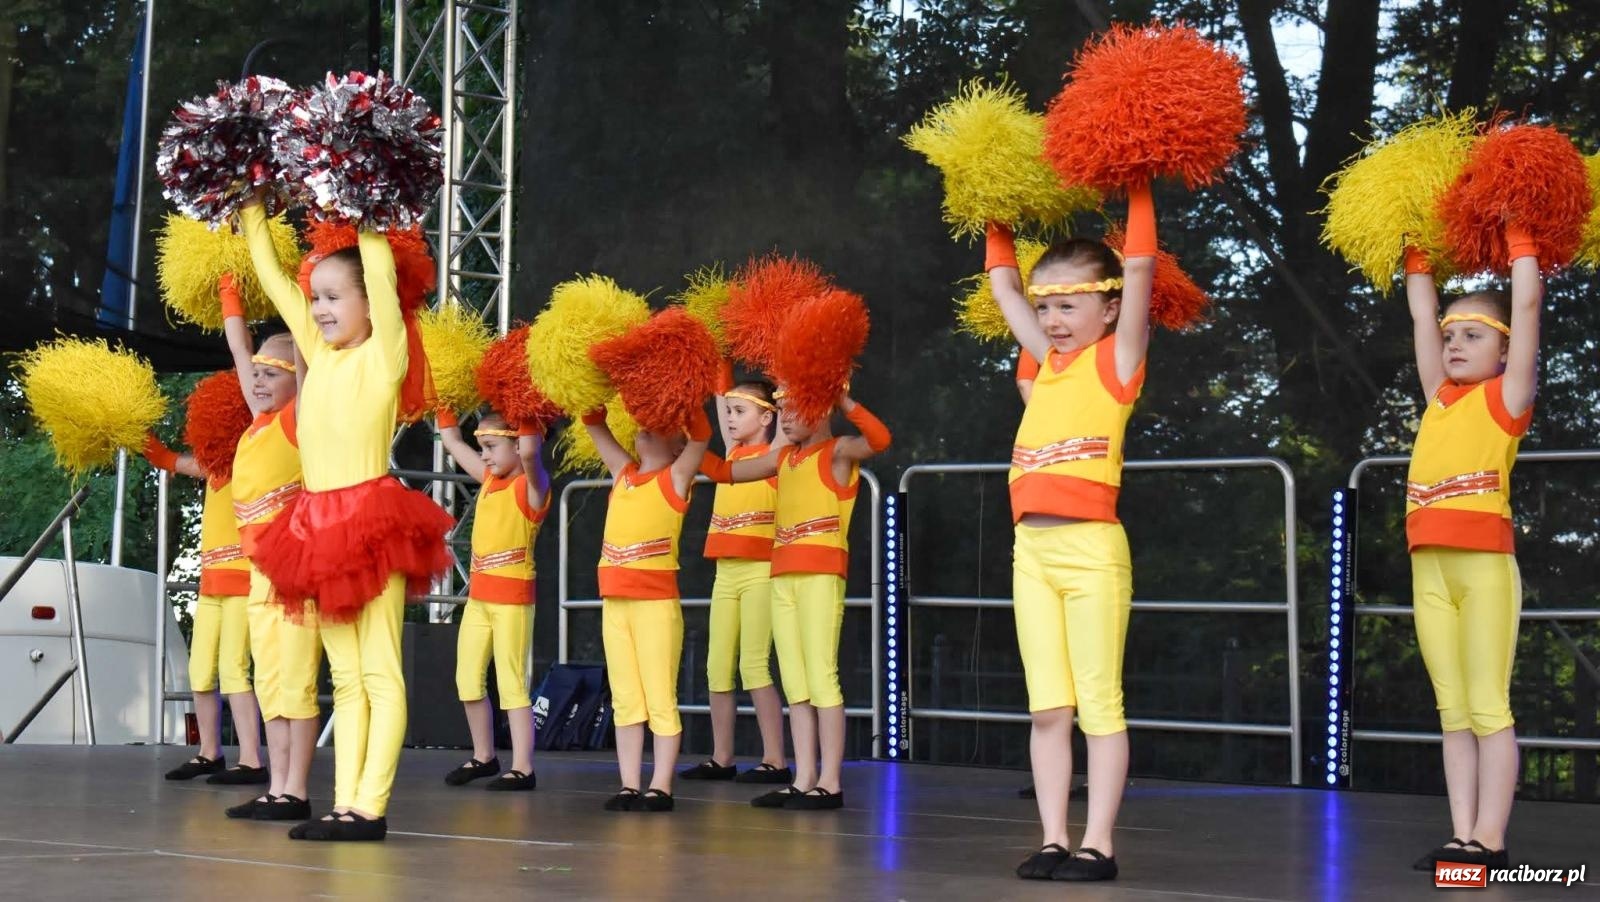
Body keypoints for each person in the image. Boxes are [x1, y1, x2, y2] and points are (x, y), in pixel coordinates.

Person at [241, 198, 453, 841]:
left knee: (380, 669)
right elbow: (275, 281)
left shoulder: (384, 353)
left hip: (371, 520)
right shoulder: (319, 352)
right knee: (347, 676)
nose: (322, 309)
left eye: (335, 296)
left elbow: (385, 278)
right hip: (316, 528)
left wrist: (369, 204)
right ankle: (343, 804)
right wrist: (250, 208)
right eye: (318, 299)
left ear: (368, 302)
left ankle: (371, 805)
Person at [983, 182, 1156, 882]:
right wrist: (985, 201)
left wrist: (1140, 182)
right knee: (1048, 708)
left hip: (1091, 553)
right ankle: (1054, 837)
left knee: (1098, 703)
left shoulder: (1115, 363)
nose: (1051, 319)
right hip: (1033, 553)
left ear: (1108, 308)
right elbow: (1002, 288)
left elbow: (1141, 266)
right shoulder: (1044, 370)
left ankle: (1099, 844)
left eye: (1068, 305)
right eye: (1045, 306)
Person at [1403, 230, 1541, 872]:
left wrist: (1520, 240)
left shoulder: (1506, 399)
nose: (1454, 343)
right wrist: (1413, 249)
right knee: (1451, 707)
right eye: (1451, 335)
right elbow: (1419, 315)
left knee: (1487, 704)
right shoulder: (1438, 398)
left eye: (1473, 335)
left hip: (1484, 568)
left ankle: (1492, 839)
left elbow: (1530, 305)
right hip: (1426, 566)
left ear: (1506, 348)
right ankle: (1461, 836)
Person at [702, 388, 891, 810]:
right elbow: (721, 471)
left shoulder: (838, 452)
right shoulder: (784, 459)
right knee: (795, 683)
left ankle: (830, 781)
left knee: (822, 677)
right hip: (782, 577)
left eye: (793, 406)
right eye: (781, 408)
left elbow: (879, 440)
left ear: (820, 407)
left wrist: (844, 400)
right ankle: (804, 777)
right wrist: (684, 431)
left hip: (821, 577)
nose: (785, 416)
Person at [585, 404, 712, 812]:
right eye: (644, 423)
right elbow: (594, 424)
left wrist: (680, 394)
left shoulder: (676, 478)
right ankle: (628, 784)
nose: (646, 427)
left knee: (659, 698)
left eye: (660, 425)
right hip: (615, 604)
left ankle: (660, 785)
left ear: (678, 447)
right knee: (625, 699)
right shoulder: (623, 474)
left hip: (655, 606)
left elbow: (702, 434)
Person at [679, 372, 792, 785]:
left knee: (755, 666)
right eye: (727, 411)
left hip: (761, 571)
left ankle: (775, 760)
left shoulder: (776, 452)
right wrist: (714, 360)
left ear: (767, 417)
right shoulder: (731, 455)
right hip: (725, 573)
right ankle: (722, 757)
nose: (728, 418)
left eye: (739, 411)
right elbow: (717, 393)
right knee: (716, 667)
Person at [435, 409, 550, 792]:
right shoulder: (487, 480)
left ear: (518, 446)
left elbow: (533, 455)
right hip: (480, 599)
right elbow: (451, 441)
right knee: (467, 679)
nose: (483, 455)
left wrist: (529, 410)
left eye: (491, 447)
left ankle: (523, 767)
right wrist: (444, 401)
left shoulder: (531, 488)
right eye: (481, 447)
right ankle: (484, 756)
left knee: (512, 682)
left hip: (513, 599)